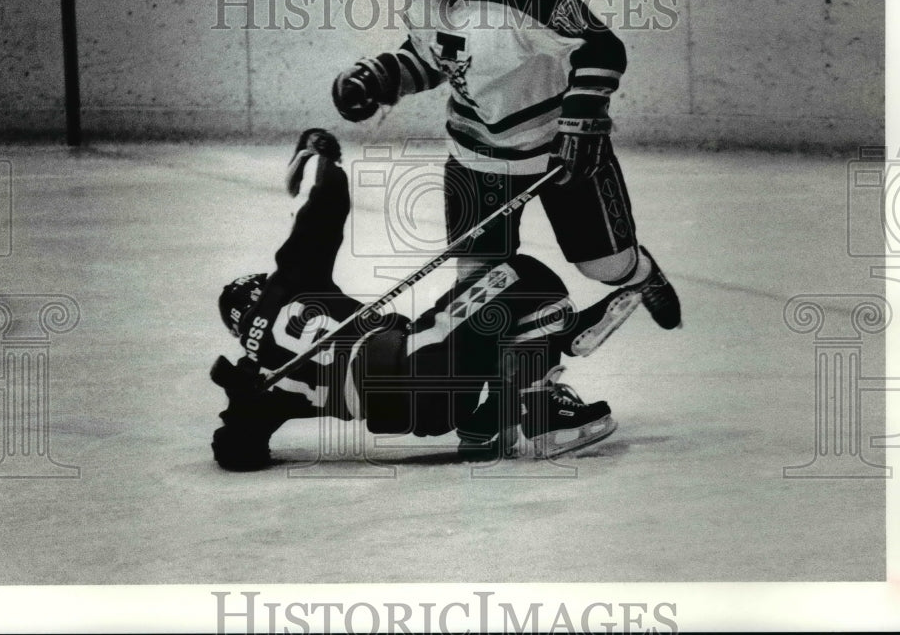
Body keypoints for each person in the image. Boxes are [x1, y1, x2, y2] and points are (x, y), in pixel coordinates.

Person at [331, 0, 681, 355]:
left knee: (605, 267)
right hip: (475, 160)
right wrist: (384, 77)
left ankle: (641, 275)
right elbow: (435, 58)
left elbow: (601, 45)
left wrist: (581, 121)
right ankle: (535, 380)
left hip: (558, 156)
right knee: (481, 293)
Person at [210, 129, 620, 472]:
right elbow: (322, 216)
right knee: (521, 275)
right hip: (414, 359)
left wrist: (242, 408)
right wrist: (325, 160)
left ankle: (497, 414)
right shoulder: (286, 286)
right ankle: (546, 394)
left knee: (494, 318)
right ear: (258, 290)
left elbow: (236, 454)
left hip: (413, 413)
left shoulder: (259, 380)